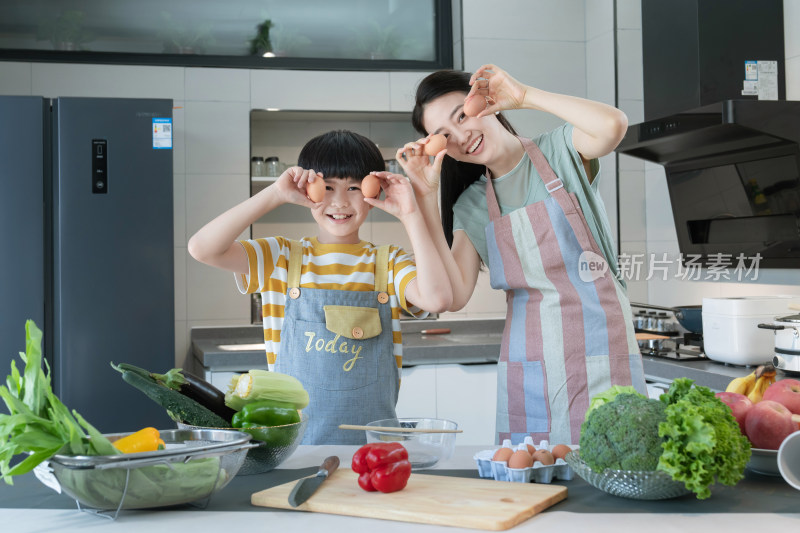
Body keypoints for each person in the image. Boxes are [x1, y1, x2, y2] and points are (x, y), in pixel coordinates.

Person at [398, 64, 647, 446]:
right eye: (444, 135)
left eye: (462, 116)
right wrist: (425, 196)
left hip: (603, 354)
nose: (462, 135)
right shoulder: (471, 204)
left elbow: (613, 125)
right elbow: (455, 294)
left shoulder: (562, 151)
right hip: (530, 368)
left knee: (614, 468)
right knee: (532, 483)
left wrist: (525, 96)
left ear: (487, 104)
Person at [188, 130, 452, 444]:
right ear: (307, 190)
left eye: (355, 187)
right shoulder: (281, 258)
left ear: (375, 190)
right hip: (290, 450)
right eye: (326, 187)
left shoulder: (389, 262)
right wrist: (275, 193)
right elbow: (202, 248)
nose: (340, 201)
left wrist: (410, 214)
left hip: (372, 450)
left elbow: (437, 299)